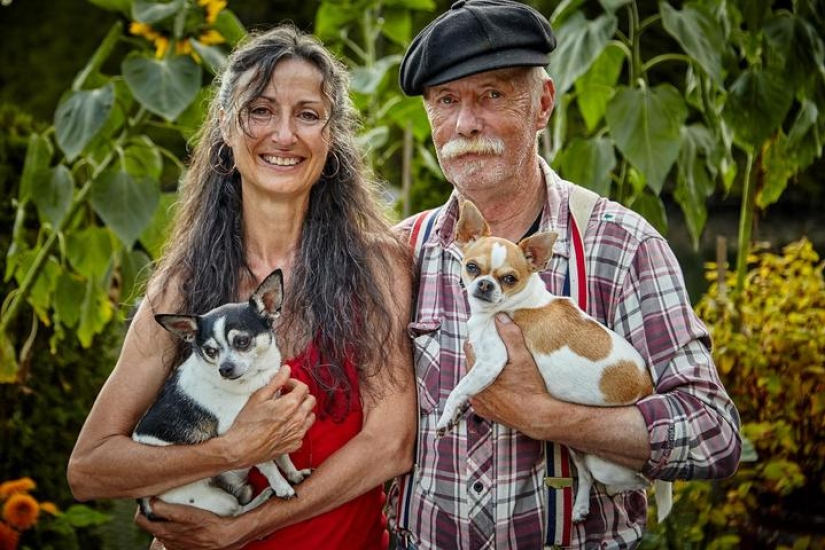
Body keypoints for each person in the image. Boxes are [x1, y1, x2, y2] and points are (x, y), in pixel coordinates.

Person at [388, 1, 742, 548]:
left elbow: (712, 433)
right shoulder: (398, 251)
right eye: (446, 100)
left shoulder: (623, 246)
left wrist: (547, 415)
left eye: (493, 95)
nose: (466, 122)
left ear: (543, 104)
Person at [67, 24, 416, 550]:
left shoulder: (376, 266)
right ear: (226, 131)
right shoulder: (182, 286)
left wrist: (242, 527)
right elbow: (89, 469)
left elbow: (392, 445)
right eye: (260, 110)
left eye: (308, 115)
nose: (283, 135)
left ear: (330, 141)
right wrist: (229, 449)